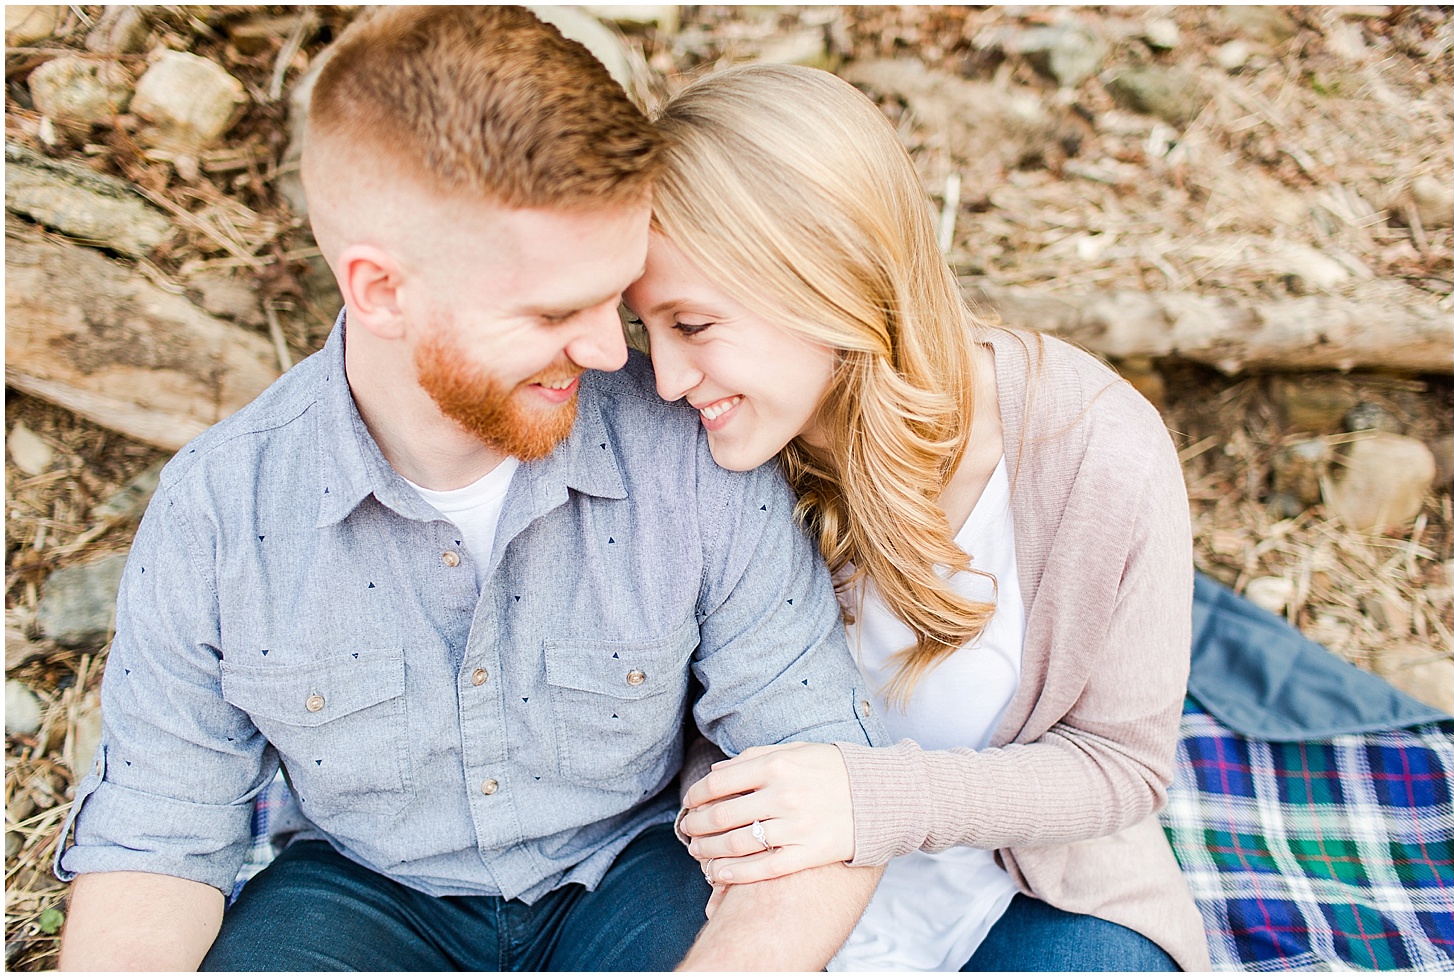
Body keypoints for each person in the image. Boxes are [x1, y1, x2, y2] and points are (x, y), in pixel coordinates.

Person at [52, 11, 887, 971]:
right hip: (360, 893)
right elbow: (157, 841)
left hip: (630, 871)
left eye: (612, 297)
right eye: (551, 311)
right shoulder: (219, 510)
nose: (616, 354)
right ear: (380, 291)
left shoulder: (690, 460)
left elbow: (822, 772)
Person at [623, 63, 1212, 972]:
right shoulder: (702, 455)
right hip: (775, 896)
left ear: (827, 283)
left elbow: (1122, 768)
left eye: (694, 327)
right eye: (646, 331)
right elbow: (677, 731)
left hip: (1031, 893)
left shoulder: (1095, 450)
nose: (663, 378)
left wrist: (876, 798)